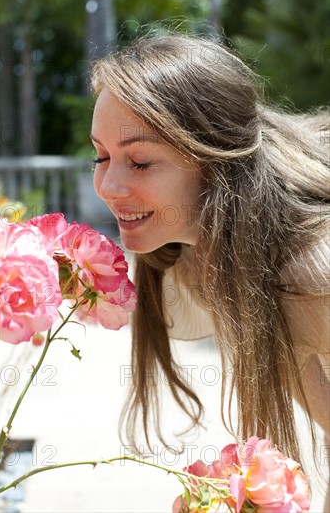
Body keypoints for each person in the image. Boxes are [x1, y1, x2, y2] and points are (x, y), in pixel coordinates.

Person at [89, 32, 329, 500]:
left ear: (215, 161)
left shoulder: (311, 277)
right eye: (101, 156)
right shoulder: (198, 255)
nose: (109, 186)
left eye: (139, 161)